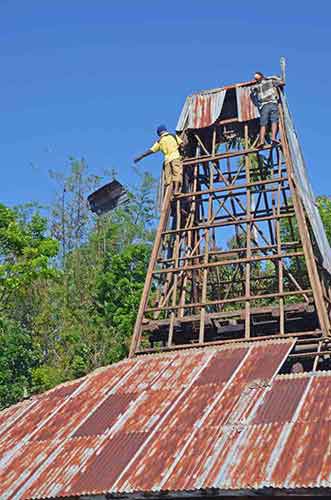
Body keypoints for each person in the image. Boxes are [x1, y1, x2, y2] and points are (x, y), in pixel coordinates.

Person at [134, 125, 183, 190]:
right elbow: (181, 144)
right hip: (175, 157)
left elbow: (151, 150)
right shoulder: (172, 136)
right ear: (165, 130)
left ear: (159, 133)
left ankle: (169, 190)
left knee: (168, 179)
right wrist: (182, 152)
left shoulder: (159, 141)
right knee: (177, 174)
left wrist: (140, 157)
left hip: (167, 161)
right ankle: (176, 190)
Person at [250, 71, 283, 148]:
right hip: (272, 104)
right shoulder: (271, 81)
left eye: (256, 79)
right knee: (273, 121)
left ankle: (261, 141)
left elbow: (251, 93)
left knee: (263, 124)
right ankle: (273, 138)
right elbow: (282, 82)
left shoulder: (257, 86)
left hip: (265, 106)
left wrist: (256, 103)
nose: (255, 80)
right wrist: (273, 77)